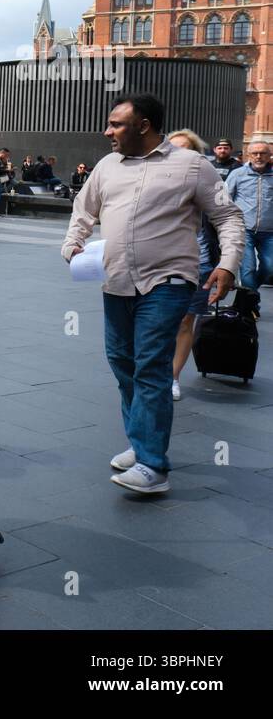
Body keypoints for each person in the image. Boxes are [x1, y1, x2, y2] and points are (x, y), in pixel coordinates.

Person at [62, 94, 243, 495]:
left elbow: (227, 215)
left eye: (116, 124)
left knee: (150, 365)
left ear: (143, 125)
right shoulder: (107, 166)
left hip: (170, 281)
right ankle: (141, 440)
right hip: (116, 280)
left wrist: (228, 263)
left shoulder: (191, 165)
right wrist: (74, 242)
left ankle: (153, 466)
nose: (107, 131)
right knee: (123, 362)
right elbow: (83, 208)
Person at [165, 130, 218, 402]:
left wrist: (229, 264)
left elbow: (227, 218)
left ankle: (172, 377)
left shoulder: (208, 181)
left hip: (199, 261)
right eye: (172, 149)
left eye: (185, 150)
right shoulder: (151, 179)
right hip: (159, 263)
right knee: (157, 322)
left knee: (187, 320)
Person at [225, 140, 273, 318]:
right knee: (248, 270)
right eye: (255, 153)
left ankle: (249, 293)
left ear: (269, 156)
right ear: (248, 155)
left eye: (263, 153)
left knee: (270, 268)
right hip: (244, 229)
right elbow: (225, 200)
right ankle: (251, 305)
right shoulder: (237, 174)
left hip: (270, 232)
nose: (259, 156)